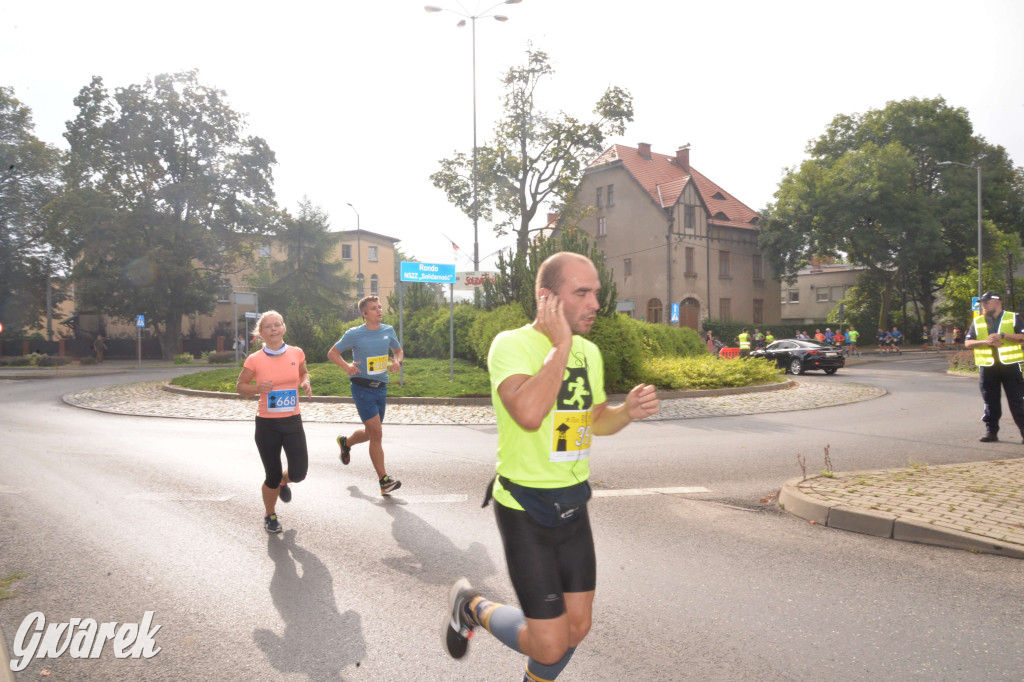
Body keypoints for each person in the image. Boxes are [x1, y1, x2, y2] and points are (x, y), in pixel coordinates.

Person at [442, 252, 660, 681]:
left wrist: (626, 411)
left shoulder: (589, 353)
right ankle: (471, 606)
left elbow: (596, 420)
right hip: (526, 509)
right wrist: (560, 347)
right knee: (549, 642)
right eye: (582, 292)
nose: (596, 303)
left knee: (577, 628)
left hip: (574, 506)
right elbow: (527, 413)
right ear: (548, 299)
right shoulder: (511, 344)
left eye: (595, 292)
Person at [235, 311, 312, 533]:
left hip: (292, 422)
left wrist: (305, 383)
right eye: (268, 326)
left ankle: (284, 482)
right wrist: (258, 388)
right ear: (261, 333)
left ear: (284, 328)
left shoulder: (296, 353)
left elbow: (303, 374)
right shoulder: (254, 359)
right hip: (267, 425)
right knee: (272, 474)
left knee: (299, 473)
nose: (274, 329)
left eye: (277, 325)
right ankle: (270, 515)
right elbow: (241, 387)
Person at [328, 295, 404, 495]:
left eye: (380, 307)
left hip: (381, 387)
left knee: (371, 433)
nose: (379, 310)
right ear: (364, 314)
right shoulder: (354, 334)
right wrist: (347, 366)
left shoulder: (388, 331)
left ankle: (346, 443)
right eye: (374, 308)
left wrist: (398, 361)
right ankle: (384, 480)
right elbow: (332, 353)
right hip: (362, 388)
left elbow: (398, 350)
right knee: (377, 433)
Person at [964, 291, 1024, 442]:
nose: (983, 305)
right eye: (982, 303)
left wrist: (1002, 336)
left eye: (986, 302)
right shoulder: (977, 321)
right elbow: (968, 343)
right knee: (990, 401)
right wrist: (986, 342)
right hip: (988, 367)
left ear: (997, 302)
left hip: (1010, 366)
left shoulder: (1012, 317)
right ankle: (991, 432)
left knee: (1017, 401)